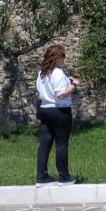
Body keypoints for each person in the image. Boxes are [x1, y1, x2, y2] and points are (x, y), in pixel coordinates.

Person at [35, 44, 78, 187]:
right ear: (57, 57)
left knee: (45, 144)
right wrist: (74, 85)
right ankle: (64, 177)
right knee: (61, 144)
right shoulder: (58, 72)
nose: (64, 59)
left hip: (45, 109)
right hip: (59, 110)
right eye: (63, 56)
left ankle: (42, 177)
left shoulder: (42, 73)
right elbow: (60, 94)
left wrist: (67, 80)